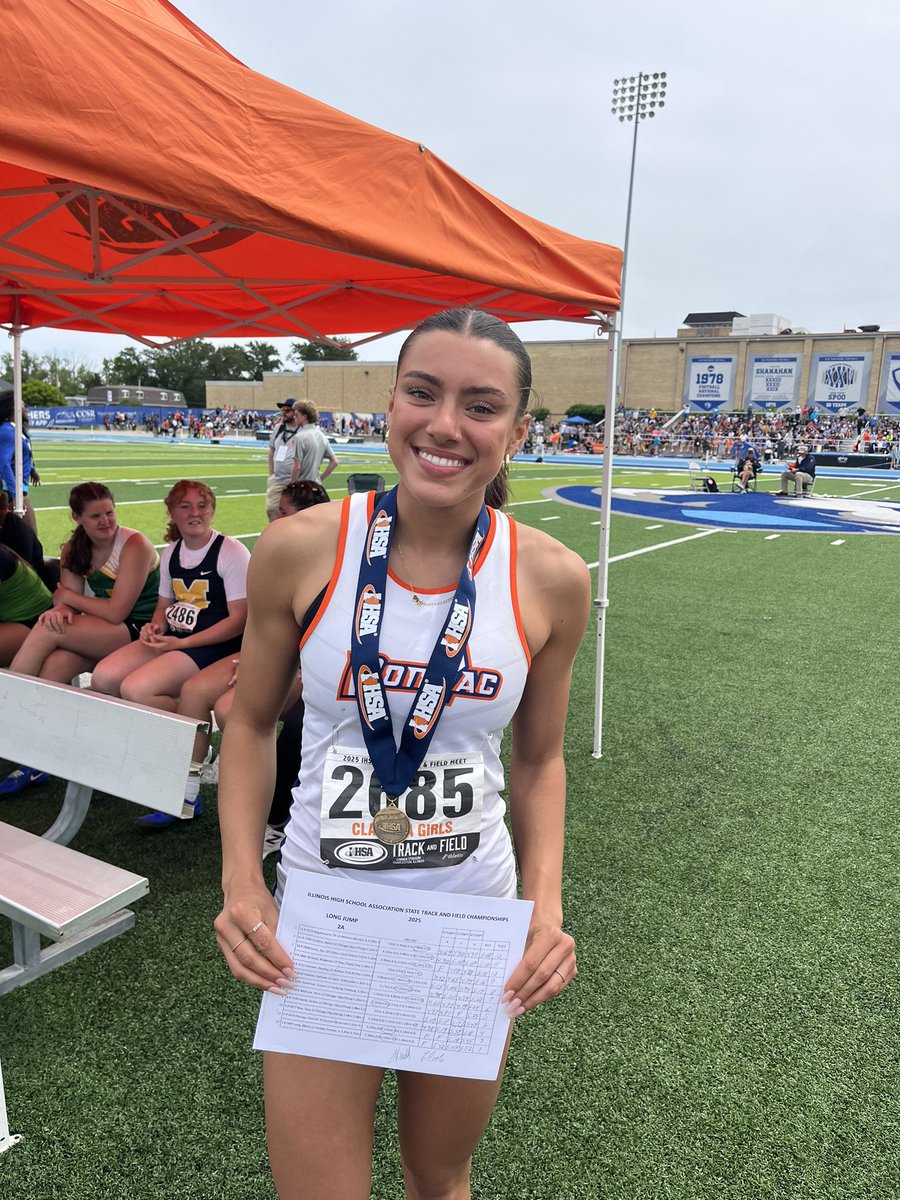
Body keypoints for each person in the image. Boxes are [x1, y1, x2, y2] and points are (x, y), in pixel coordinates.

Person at [213, 308, 590, 1200]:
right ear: (390, 405)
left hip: (469, 930)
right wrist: (241, 881)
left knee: (440, 1180)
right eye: (423, 393)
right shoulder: (301, 548)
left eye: (481, 406)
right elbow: (251, 722)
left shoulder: (551, 577)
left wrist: (544, 906)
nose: (445, 425)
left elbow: (540, 761)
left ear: (517, 433)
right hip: (324, 925)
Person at [151, 479, 329, 838]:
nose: (273, 519)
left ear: (306, 519)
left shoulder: (331, 562)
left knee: (230, 709)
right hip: (267, 652)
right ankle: (187, 792)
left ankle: (267, 816)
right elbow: (258, 621)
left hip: (309, 665)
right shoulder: (276, 553)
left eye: (282, 513)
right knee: (194, 691)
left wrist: (275, 664)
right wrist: (252, 658)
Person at [92, 480, 250, 828]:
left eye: (202, 505)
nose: (195, 513)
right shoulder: (172, 552)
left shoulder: (231, 551)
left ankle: (188, 759)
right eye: (185, 506)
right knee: (104, 677)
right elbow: (164, 605)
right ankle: (195, 734)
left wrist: (182, 644)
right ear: (172, 513)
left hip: (213, 644)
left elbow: (238, 620)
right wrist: (154, 627)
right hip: (177, 638)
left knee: (136, 689)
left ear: (212, 510)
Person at [4, 482, 160, 796]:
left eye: (109, 513)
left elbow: (117, 611)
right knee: (53, 668)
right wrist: (62, 607)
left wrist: (67, 599)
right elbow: (67, 601)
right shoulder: (73, 549)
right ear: (77, 518)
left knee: (47, 629)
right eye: (95, 516)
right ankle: (36, 758)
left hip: (139, 629)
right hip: (103, 629)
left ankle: (7, 707)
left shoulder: (134, 545)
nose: (106, 521)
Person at [0, 389, 40, 532]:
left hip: (19, 490)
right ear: (14, 409)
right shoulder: (7, 431)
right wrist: (16, 494)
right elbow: (3, 464)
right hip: (11, 493)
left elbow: (21, 454)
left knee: (28, 537)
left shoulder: (17, 431)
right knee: (29, 537)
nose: (26, 408)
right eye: (23, 405)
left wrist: (32, 469)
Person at [265, 401, 302, 522]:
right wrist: (271, 474)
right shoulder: (278, 428)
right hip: (277, 479)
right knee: (271, 509)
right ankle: (274, 532)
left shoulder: (302, 431)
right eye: (282, 410)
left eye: (287, 410)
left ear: (295, 413)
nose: (283, 413)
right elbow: (271, 451)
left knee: (294, 513)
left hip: (295, 480)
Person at [291, 400, 339, 484]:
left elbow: (297, 467)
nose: (294, 417)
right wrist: (320, 479)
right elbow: (334, 461)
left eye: (297, 415)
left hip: (302, 485)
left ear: (304, 417)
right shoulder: (322, 436)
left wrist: (292, 485)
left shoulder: (299, 437)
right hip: (315, 485)